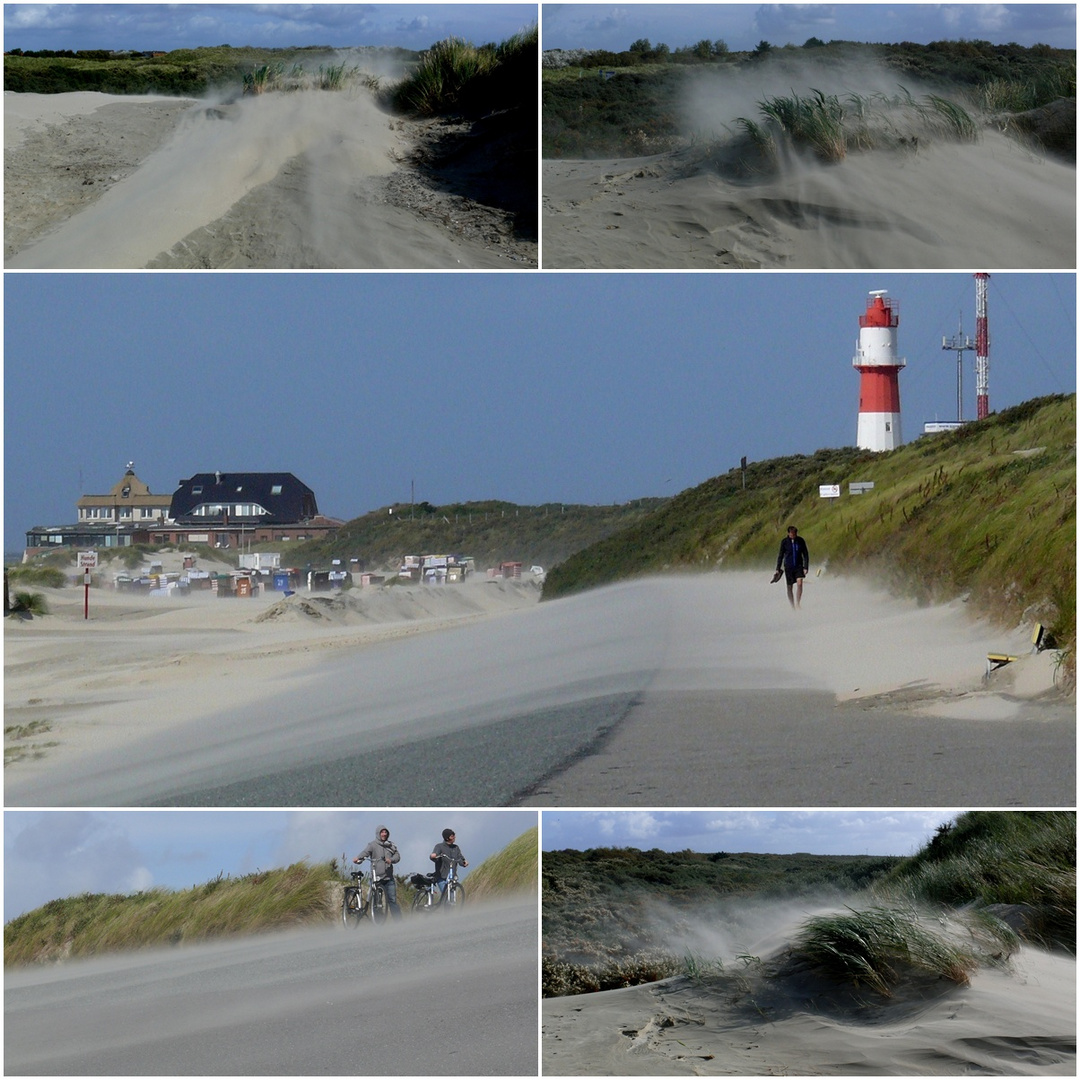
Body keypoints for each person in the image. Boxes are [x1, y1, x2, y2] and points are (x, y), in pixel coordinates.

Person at [354, 825, 402, 918]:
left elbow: (397, 856)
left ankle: (399, 922)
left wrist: (391, 860)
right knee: (376, 902)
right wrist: (358, 858)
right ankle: (378, 922)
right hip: (376, 878)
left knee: (392, 900)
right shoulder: (372, 845)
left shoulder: (391, 845)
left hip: (389, 878)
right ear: (378, 834)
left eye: (385, 832)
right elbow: (365, 853)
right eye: (382, 832)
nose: (384, 834)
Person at [772, 525, 809, 609]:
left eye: (794, 534)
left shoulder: (800, 541)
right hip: (788, 567)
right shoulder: (784, 542)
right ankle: (792, 606)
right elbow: (780, 555)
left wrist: (806, 567)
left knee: (800, 584)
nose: (793, 535)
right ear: (788, 533)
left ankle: (798, 603)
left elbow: (805, 554)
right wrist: (778, 568)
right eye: (792, 534)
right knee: (789, 587)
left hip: (799, 566)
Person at [429, 828, 468, 900]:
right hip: (442, 877)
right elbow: (435, 855)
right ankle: (447, 910)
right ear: (447, 838)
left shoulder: (456, 848)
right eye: (452, 836)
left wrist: (464, 862)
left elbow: (460, 857)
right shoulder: (439, 846)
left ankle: (451, 910)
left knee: (452, 898)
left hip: (452, 877)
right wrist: (433, 856)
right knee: (446, 897)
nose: (454, 837)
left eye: (454, 835)